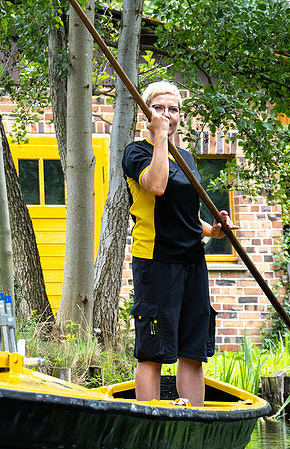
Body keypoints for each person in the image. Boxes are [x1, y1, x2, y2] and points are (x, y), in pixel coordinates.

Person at [122, 81, 234, 406]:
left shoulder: (186, 157)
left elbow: (184, 214)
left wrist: (212, 232)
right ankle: (151, 421)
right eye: (159, 108)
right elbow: (156, 186)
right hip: (156, 261)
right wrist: (160, 138)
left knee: (192, 350)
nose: (167, 115)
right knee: (153, 352)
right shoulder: (137, 152)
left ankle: (194, 421)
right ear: (147, 113)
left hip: (192, 261)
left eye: (173, 109)